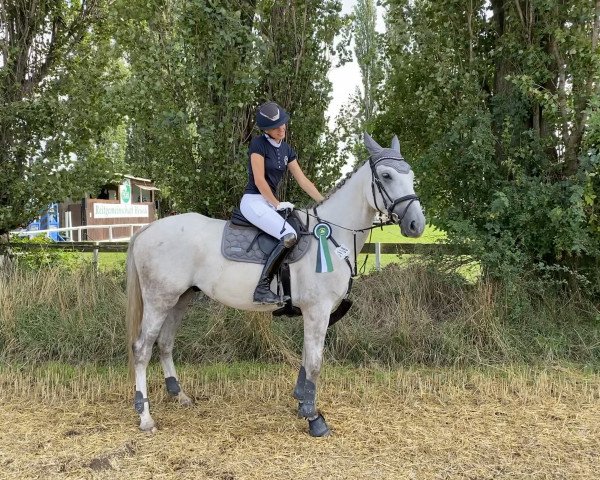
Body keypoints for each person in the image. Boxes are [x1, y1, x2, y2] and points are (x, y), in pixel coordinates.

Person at [240, 101, 324, 304]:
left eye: (283, 124)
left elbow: (303, 180)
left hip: (269, 202)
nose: (281, 128)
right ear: (266, 130)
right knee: (289, 236)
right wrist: (276, 204)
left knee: (299, 228)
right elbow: (259, 180)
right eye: (276, 126)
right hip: (254, 201)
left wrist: (323, 202)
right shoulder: (258, 144)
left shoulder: (286, 149)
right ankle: (261, 288)